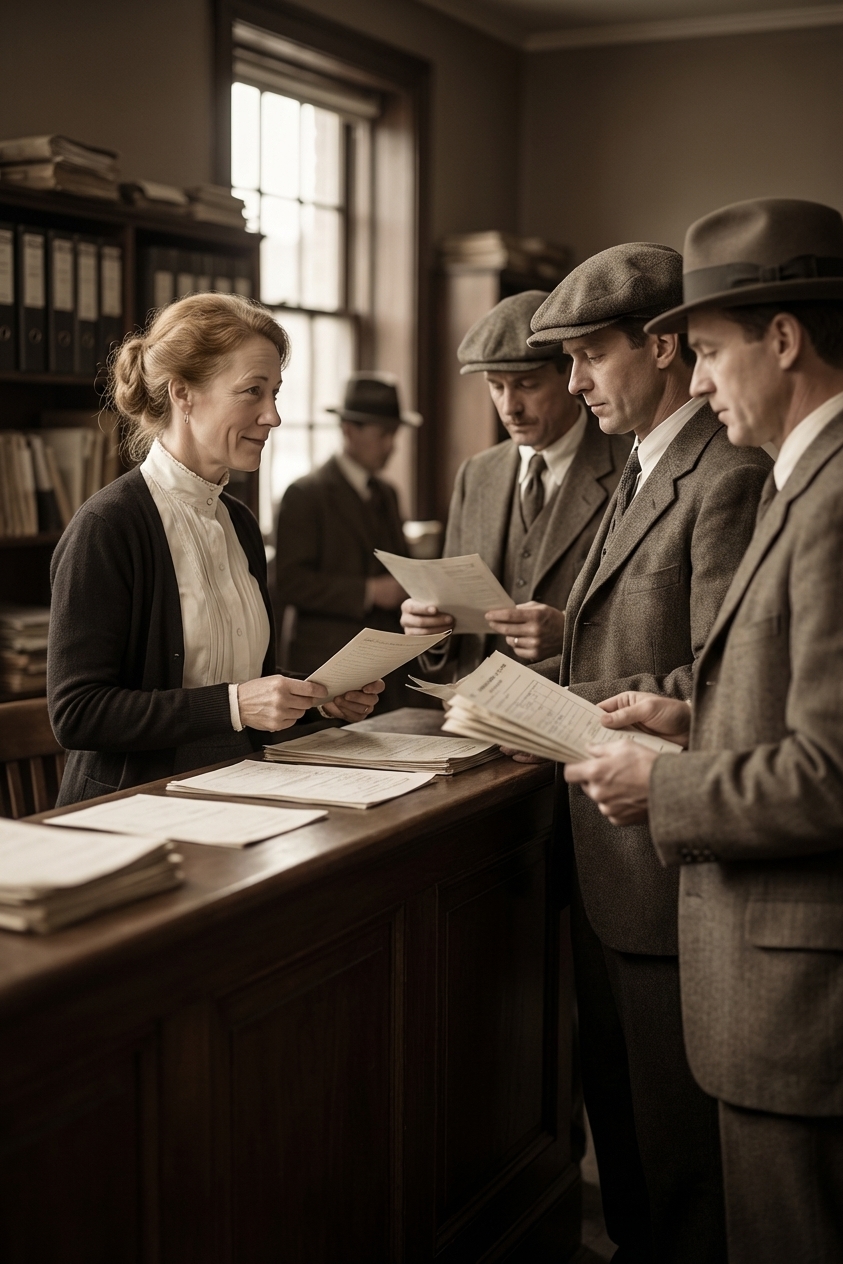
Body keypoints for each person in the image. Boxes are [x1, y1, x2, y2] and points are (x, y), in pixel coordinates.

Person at [564, 199, 843, 1264]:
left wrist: (664, 784)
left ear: (783, 339)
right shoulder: (798, 477)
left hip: (799, 991)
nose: (699, 378)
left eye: (713, 351)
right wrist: (693, 713)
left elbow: (830, 772)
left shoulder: (829, 492)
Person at [521, 243, 773, 1263]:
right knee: (625, 1147)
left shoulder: (728, 474)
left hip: (666, 873)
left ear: (664, 346)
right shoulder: (638, 469)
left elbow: (722, 678)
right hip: (605, 865)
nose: (574, 385)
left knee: (678, 1172)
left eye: (590, 357)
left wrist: (543, 703)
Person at [48, 293, 383, 807]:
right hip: (138, 807)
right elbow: (77, 713)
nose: (272, 416)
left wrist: (320, 699)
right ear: (183, 394)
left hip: (245, 787)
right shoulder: (107, 526)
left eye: (275, 392)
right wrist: (235, 705)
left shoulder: (240, 523)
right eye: (252, 391)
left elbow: (246, 686)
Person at [401, 289, 631, 675]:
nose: (510, 407)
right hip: (471, 712)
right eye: (496, 386)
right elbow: (451, 626)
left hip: (574, 714)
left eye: (527, 385)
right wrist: (431, 631)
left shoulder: (630, 467)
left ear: (571, 376)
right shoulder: (476, 474)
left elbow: (651, 630)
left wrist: (569, 631)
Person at [275, 372, 419, 710]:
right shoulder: (304, 495)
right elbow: (291, 582)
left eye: (394, 434)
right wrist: (370, 591)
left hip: (388, 667)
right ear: (348, 430)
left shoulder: (387, 494)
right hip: (328, 667)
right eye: (383, 434)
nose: (391, 446)